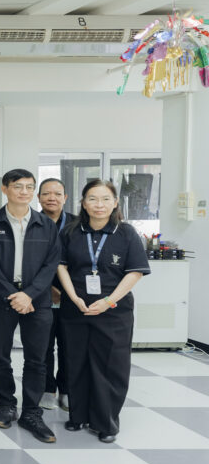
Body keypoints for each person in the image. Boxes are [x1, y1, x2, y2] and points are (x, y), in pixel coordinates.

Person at [56, 179, 149, 443]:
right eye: (93, 199)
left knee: (110, 365)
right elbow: (61, 266)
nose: (99, 205)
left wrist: (108, 301)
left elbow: (135, 272)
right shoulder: (71, 231)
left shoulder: (126, 233)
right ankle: (78, 416)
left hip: (114, 311)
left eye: (106, 199)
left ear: (115, 202)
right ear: (83, 203)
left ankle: (106, 422)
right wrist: (73, 297)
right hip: (76, 308)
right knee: (76, 362)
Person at [0, 169, 60, 443]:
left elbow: (51, 264)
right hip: (1, 299)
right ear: (5, 189)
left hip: (37, 301)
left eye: (29, 187)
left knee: (37, 358)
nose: (24, 192)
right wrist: (12, 295)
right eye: (18, 186)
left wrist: (29, 294)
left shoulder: (46, 225)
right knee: (0, 355)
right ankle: (6, 405)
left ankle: (32, 412)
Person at [38, 177, 75, 411]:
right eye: (46, 193)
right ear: (39, 197)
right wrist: (46, 288)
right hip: (41, 294)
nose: (52, 198)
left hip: (72, 295)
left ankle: (67, 389)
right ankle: (47, 389)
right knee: (43, 346)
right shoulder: (32, 221)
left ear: (65, 197)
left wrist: (68, 290)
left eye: (57, 194)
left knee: (69, 345)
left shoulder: (78, 224)